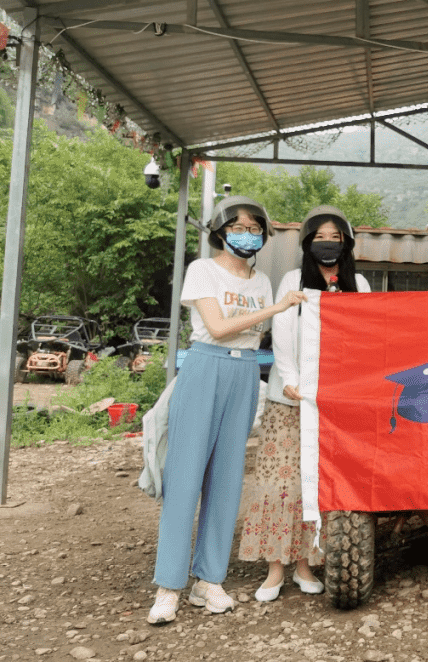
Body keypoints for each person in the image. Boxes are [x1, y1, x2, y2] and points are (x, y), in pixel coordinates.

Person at [148, 196, 306, 625]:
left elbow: (257, 335)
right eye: (238, 226)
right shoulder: (203, 270)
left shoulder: (261, 279)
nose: (247, 233)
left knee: (227, 479)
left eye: (255, 228)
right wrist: (273, 309)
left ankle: (209, 580)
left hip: (245, 374)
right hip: (205, 366)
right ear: (220, 230)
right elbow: (217, 328)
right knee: (185, 476)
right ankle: (169, 586)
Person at [239, 205, 371, 602]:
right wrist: (292, 379)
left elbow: (365, 336)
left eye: (335, 238)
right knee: (282, 481)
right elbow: (282, 330)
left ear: (346, 243)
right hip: (290, 399)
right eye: (320, 237)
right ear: (307, 243)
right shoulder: (293, 280)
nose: (327, 244)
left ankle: (306, 564)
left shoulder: (358, 283)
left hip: (336, 403)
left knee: (321, 481)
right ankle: (275, 568)